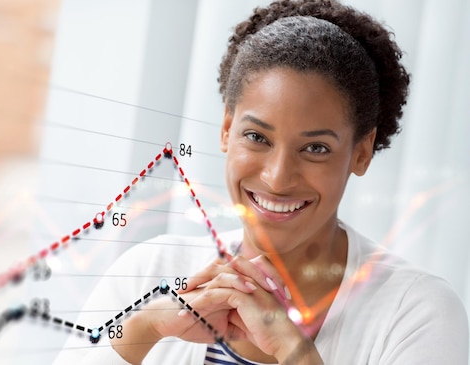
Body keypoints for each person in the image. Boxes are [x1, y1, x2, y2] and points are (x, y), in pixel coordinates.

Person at [53, 0, 469, 364]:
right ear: (226, 129)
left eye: (316, 148)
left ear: (361, 152)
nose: (277, 176)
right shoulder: (151, 273)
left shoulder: (416, 313)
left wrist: (295, 352)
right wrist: (144, 330)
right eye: (257, 138)